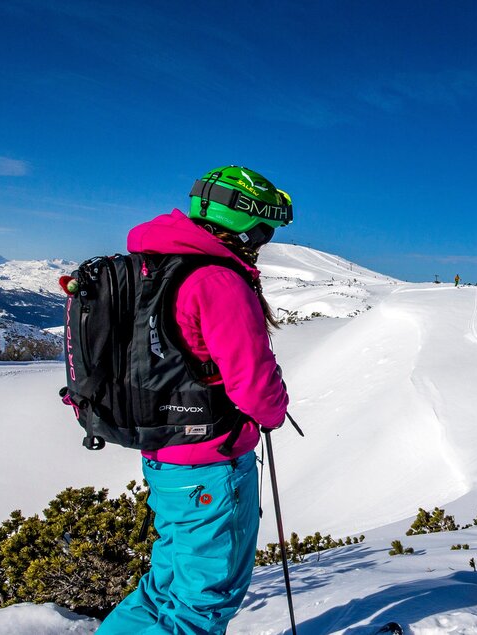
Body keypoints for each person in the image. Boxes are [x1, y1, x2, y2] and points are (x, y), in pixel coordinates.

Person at [96, 166, 292, 635]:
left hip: (165, 457)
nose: (264, 240)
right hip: (212, 464)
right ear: (243, 222)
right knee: (201, 604)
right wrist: (276, 409)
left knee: (161, 588)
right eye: (264, 228)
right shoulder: (217, 281)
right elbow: (255, 386)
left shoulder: (154, 264)